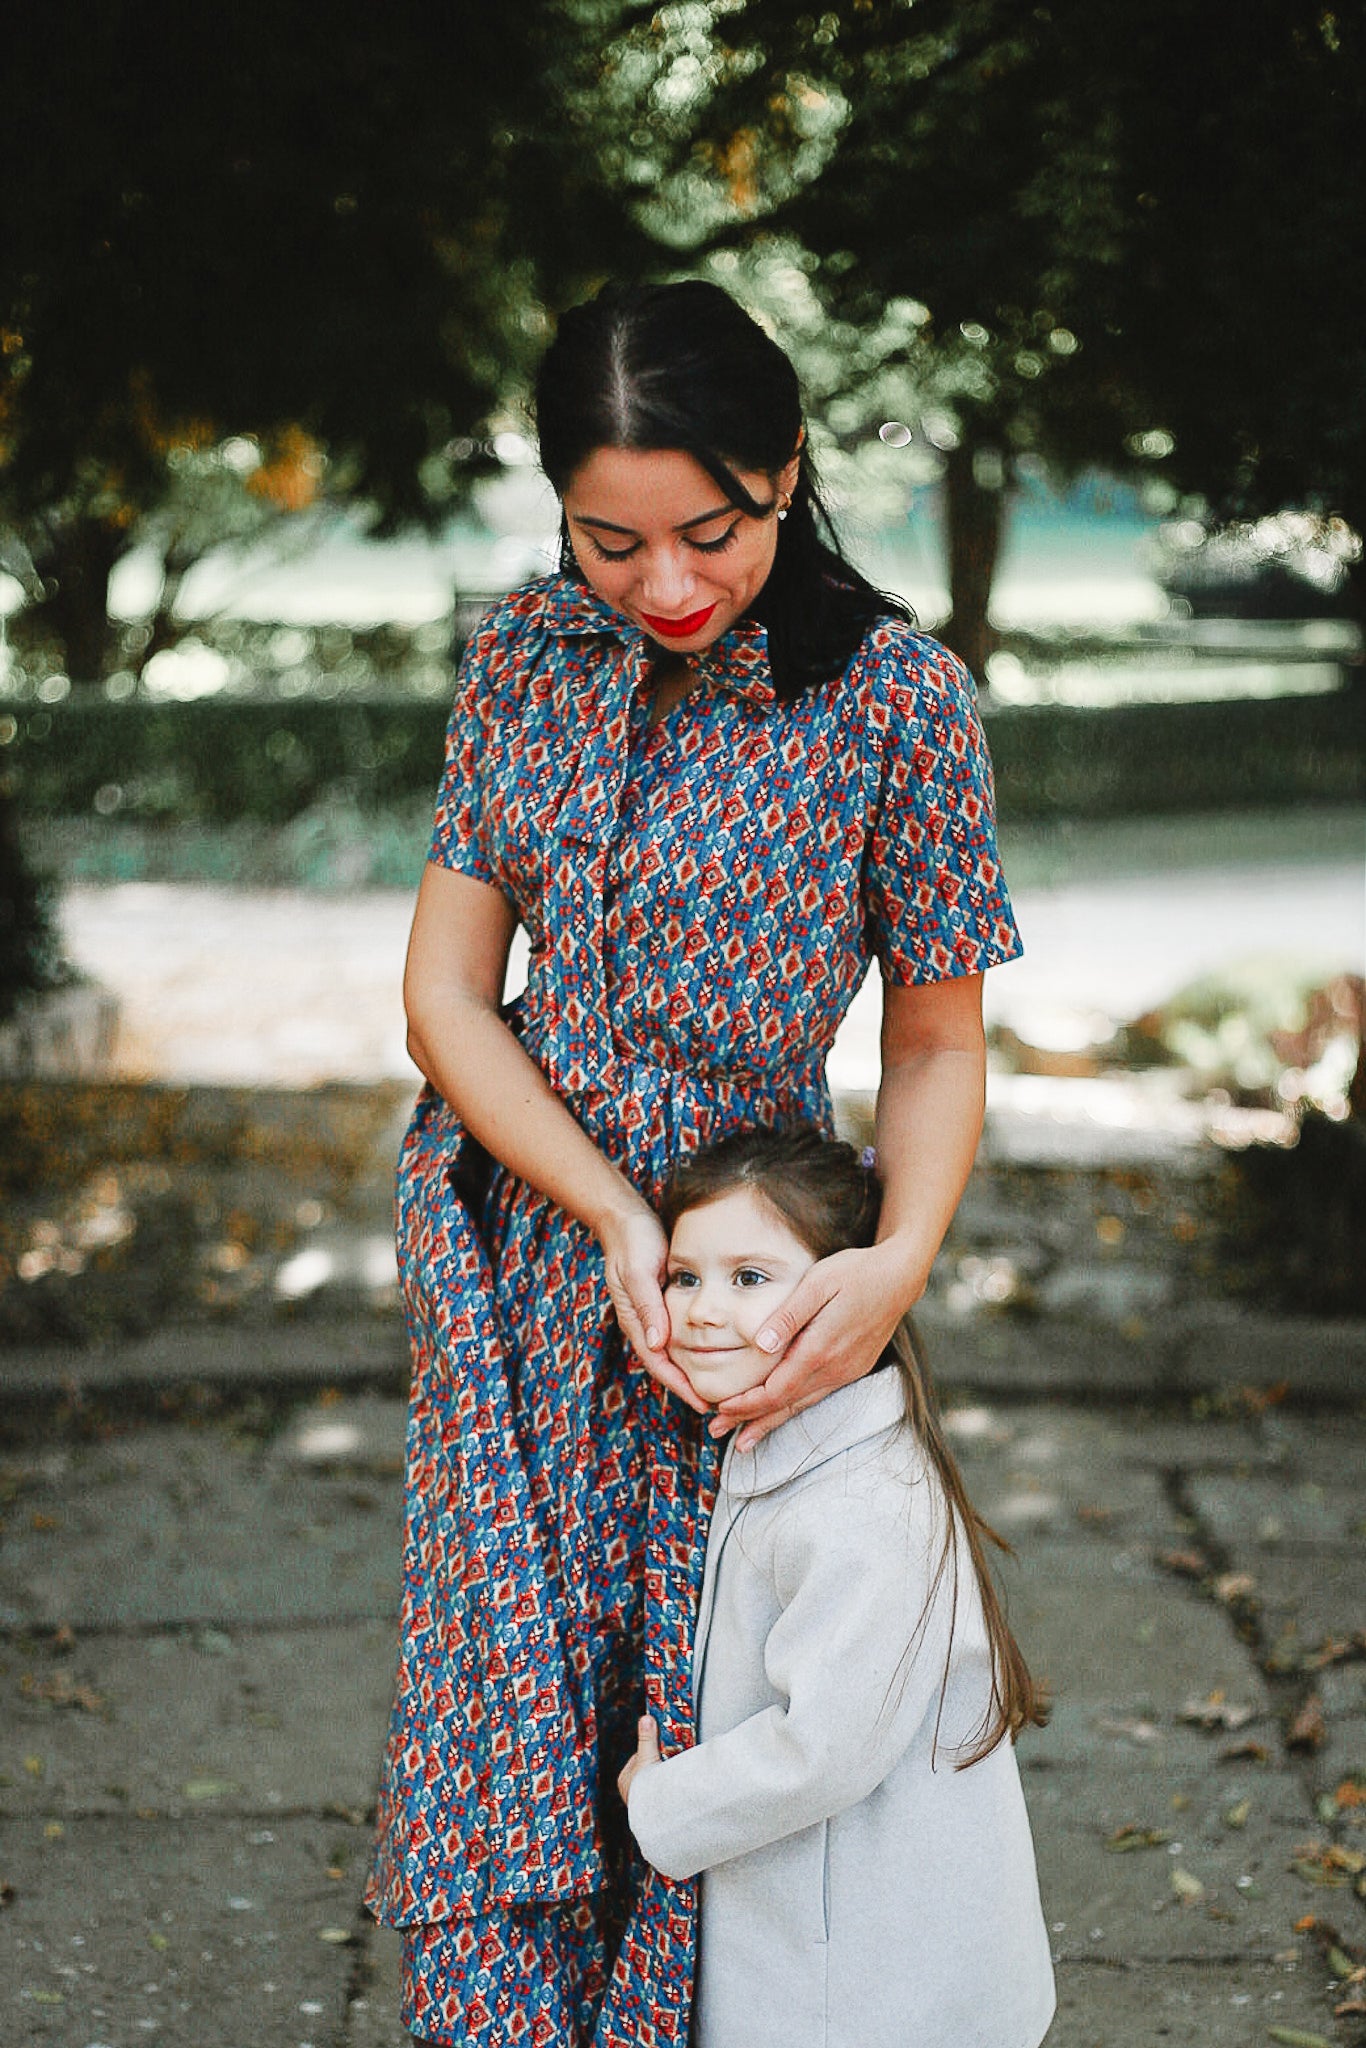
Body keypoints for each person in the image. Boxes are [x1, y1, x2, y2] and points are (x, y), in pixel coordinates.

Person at [364, 277, 1024, 2048]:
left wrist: (890, 1266)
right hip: (526, 1251)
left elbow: (939, 1038)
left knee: (707, 1695)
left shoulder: (898, 701)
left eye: (710, 533)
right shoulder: (522, 658)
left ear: (787, 470)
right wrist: (596, 1209)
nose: (661, 585)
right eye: (609, 540)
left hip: (757, 1275)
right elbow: (443, 994)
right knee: (508, 1699)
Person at [619, 1125, 1055, 2048]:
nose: (700, 1310)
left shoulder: (863, 1503)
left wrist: (658, 1801)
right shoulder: (784, 1449)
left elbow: (824, 1747)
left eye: (749, 1278)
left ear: (847, 1295)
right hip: (837, 1952)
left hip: (870, 1986)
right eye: (685, 1275)